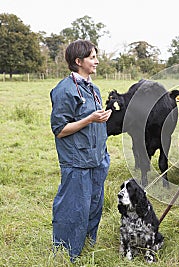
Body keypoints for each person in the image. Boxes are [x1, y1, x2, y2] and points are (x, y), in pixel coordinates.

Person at [50, 39, 112, 262]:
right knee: (73, 208)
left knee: (94, 206)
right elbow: (60, 130)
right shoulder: (64, 90)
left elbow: (93, 121)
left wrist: (102, 118)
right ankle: (66, 253)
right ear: (78, 61)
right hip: (76, 161)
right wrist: (89, 119)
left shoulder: (93, 88)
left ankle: (86, 244)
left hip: (96, 158)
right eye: (92, 57)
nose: (96, 61)